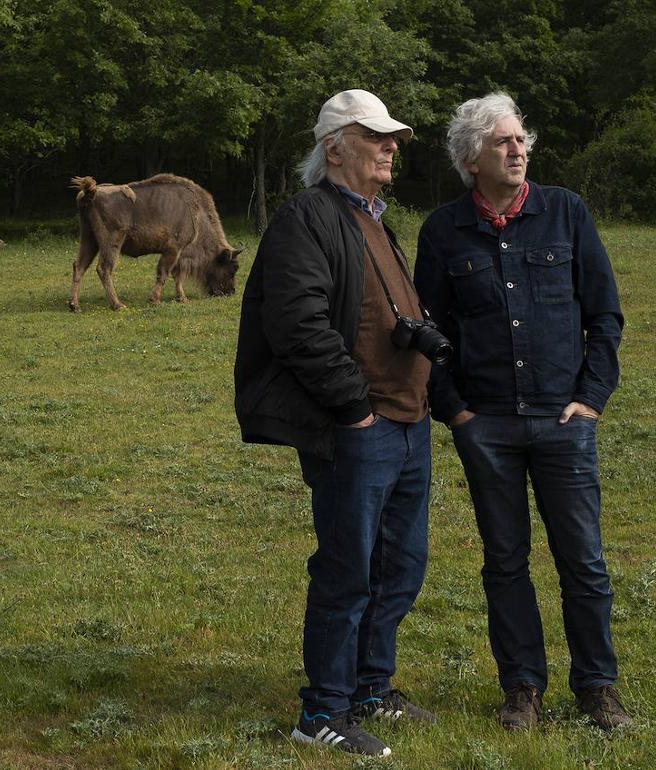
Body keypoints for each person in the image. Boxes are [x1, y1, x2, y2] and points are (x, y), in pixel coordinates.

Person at [413, 92, 631, 731]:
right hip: (488, 427)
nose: (517, 149)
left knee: (583, 559)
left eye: (520, 139)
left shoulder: (565, 212)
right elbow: (431, 331)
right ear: (469, 158)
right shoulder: (443, 230)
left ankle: (597, 688)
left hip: (564, 423)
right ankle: (522, 690)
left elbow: (605, 315)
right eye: (502, 142)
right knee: (504, 561)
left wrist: (590, 398)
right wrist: (456, 413)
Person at [234, 89, 437, 758]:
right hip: (361, 428)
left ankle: (370, 689)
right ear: (334, 147)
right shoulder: (308, 218)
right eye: (375, 136)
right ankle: (320, 711)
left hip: (408, 426)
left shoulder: (374, 219)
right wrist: (353, 409)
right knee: (349, 571)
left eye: (392, 138)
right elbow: (297, 325)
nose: (390, 147)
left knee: (401, 567)